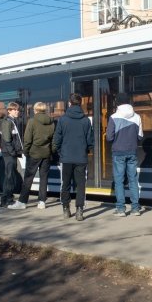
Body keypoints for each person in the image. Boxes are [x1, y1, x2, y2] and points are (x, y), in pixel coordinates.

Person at [53, 93, 94, 221]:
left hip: (66, 158)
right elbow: (90, 141)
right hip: (81, 158)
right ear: (80, 103)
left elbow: (57, 140)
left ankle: (66, 209)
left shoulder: (62, 120)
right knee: (81, 185)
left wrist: (61, 152)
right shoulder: (86, 120)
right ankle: (79, 211)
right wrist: (85, 151)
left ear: (69, 103)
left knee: (65, 184)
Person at [10, 102, 54, 210]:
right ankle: (42, 202)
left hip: (34, 154)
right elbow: (54, 140)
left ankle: (22, 202)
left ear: (35, 110)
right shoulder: (51, 122)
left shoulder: (32, 121)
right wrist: (51, 151)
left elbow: (27, 139)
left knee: (28, 178)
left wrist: (26, 152)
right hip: (46, 154)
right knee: (44, 178)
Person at [106, 92, 144, 216]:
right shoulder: (137, 116)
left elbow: (109, 138)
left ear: (117, 103)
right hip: (132, 151)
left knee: (119, 180)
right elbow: (140, 136)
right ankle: (135, 208)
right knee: (133, 179)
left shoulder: (113, 117)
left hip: (118, 152)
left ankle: (121, 209)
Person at [0, 102, 24, 208]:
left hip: (11, 153)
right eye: (15, 110)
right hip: (9, 154)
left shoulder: (12, 121)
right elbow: (7, 139)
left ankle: (7, 198)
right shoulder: (7, 122)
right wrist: (13, 152)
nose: (17, 111)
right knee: (9, 176)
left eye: (18, 110)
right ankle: (6, 199)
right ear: (9, 110)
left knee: (11, 176)